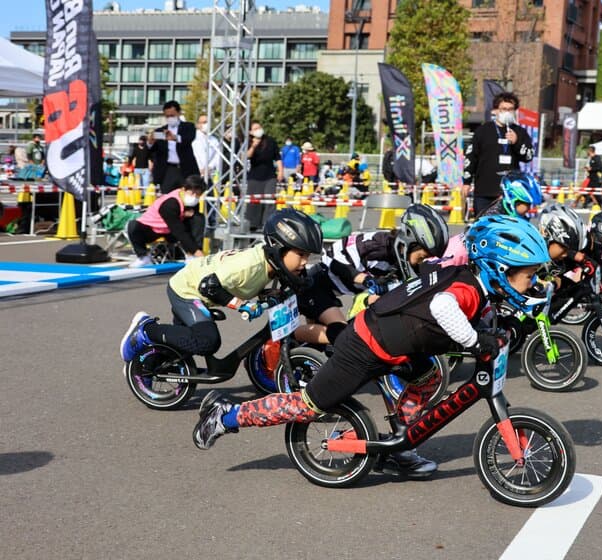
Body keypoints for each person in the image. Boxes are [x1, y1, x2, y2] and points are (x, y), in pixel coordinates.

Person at [191, 214, 550, 481]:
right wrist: (475, 341)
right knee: (306, 405)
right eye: (528, 274)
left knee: (425, 380)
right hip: (363, 347)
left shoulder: (476, 286)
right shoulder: (466, 289)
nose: (532, 281)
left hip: (397, 346)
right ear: (500, 268)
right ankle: (225, 415)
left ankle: (400, 445)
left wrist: (502, 333)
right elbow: (443, 308)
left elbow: (486, 319)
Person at [119, 208, 323, 364]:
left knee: (182, 349)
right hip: (188, 290)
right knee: (206, 341)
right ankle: (146, 330)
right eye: (301, 255)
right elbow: (209, 286)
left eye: (307, 256)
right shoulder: (248, 266)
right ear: (279, 248)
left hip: (203, 289)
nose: (305, 261)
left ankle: (148, 365)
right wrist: (241, 304)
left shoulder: (274, 263)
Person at [295, 204, 449, 347]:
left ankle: (308, 353)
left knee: (329, 343)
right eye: (421, 257)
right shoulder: (378, 245)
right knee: (340, 333)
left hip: (333, 291)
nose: (420, 263)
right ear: (410, 243)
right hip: (315, 285)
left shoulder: (400, 257)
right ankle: (288, 339)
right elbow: (334, 262)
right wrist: (368, 281)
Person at [464, 92, 534, 217]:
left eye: (511, 109)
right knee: (483, 226)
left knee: (509, 228)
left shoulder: (520, 132)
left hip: (511, 192)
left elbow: (528, 156)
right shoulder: (483, 131)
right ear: (495, 111)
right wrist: (466, 182)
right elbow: (471, 157)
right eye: (504, 109)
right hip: (484, 190)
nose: (507, 112)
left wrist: (516, 142)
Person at [125, 175, 207, 268]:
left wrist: (195, 250)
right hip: (152, 229)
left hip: (170, 231)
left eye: (198, 195)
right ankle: (143, 257)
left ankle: (191, 256)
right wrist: (198, 252)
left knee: (198, 217)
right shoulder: (170, 203)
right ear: (184, 189)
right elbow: (179, 231)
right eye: (192, 193)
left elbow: (185, 227)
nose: (195, 197)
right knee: (133, 225)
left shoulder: (193, 202)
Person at [149, 100, 200, 194]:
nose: (169, 118)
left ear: (179, 113)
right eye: (167, 116)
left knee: (189, 195)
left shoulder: (188, 127)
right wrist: (151, 142)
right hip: (168, 170)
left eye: (172, 115)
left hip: (185, 169)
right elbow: (152, 150)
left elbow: (189, 138)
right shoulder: (160, 131)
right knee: (167, 197)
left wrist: (175, 138)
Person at [245, 121, 282, 231]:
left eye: (259, 127)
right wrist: (253, 146)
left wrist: (280, 171)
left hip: (269, 175)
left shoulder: (270, 141)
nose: (258, 130)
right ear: (250, 131)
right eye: (255, 128)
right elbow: (246, 156)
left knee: (269, 200)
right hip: (254, 176)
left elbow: (277, 157)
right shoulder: (248, 142)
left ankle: (268, 224)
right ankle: (253, 224)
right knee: (254, 202)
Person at [192, 114, 222, 181]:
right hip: (197, 173)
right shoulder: (194, 138)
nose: (206, 124)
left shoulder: (214, 139)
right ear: (197, 124)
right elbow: (197, 156)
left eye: (208, 122)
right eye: (204, 122)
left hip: (211, 174)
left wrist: (210, 167)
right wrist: (202, 168)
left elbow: (218, 155)